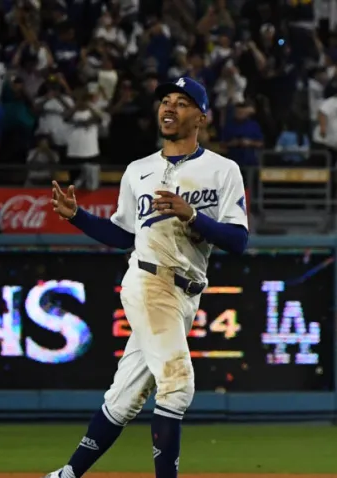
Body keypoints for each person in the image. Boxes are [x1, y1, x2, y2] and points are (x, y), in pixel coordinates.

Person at [46, 77, 248, 478]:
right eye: (165, 101)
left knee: (125, 399)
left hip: (187, 294)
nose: (169, 108)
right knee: (177, 383)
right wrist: (78, 217)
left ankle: (66, 475)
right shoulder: (139, 171)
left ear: (201, 117)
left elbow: (238, 240)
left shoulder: (223, 170)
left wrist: (191, 215)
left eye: (182, 102)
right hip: (149, 280)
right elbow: (124, 235)